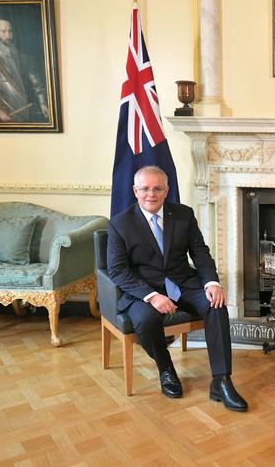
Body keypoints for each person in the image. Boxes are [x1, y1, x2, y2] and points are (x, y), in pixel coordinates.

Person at [107, 166, 248, 411]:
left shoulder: (183, 214)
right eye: (145, 189)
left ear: (166, 190)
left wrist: (211, 282)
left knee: (216, 305)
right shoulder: (121, 224)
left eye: (157, 188)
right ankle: (166, 369)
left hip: (184, 283)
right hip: (144, 291)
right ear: (135, 191)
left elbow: (200, 252)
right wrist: (151, 296)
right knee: (145, 320)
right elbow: (118, 271)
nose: (151, 194)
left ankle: (222, 380)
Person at [0, 18, 49, 122]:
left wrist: (43, 103)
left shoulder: (24, 58)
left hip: (27, 113)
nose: (8, 35)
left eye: (10, 31)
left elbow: (37, 85)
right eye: (3, 31)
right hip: (4, 114)